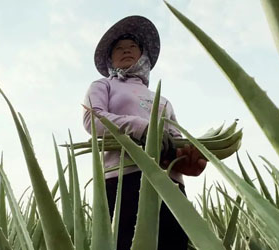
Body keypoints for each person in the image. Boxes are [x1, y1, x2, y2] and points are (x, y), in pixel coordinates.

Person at [83, 16, 207, 250]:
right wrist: (143, 128)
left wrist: (187, 162)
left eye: (132, 47)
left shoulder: (162, 100)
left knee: (173, 245)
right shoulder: (103, 85)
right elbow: (92, 118)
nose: (126, 50)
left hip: (169, 185)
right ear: (110, 58)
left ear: (143, 55)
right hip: (124, 179)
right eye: (119, 48)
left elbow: (174, 140)